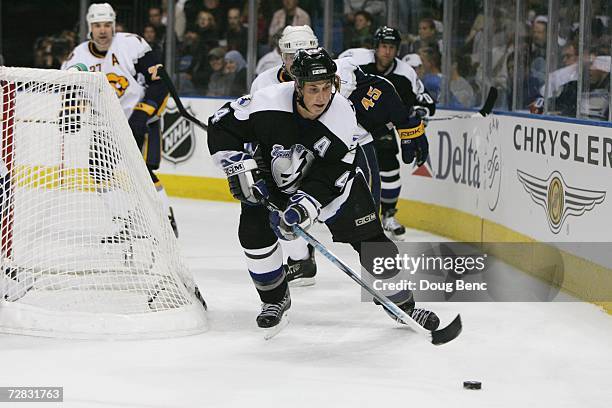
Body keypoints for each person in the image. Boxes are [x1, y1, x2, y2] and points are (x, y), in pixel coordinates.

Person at [206, 47, 438, 334]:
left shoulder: (342, 115)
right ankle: (274, 300)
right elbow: (220, 125)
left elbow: (333, 175)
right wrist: (237, 165)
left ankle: (404, 306)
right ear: (297, 86)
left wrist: (304, 207)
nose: (321, 97)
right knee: (253, 233)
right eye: (313, 89)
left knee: (373, 241)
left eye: (327, 87)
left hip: (332, 187)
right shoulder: (266, 102)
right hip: (272, 179)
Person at [61, 3, 179, 238]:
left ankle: (165, 219)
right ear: (89, 28)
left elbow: (159, 83)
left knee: (143, 173)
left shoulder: (131, 45)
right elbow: (71, 89)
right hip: (107, 125)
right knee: (99, 171)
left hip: (141, 121)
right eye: (97, 26)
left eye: (107, 25)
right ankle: (123, 220)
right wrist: (70, 111)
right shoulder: (78, 56)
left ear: (114, 26)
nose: (103, 31)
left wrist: (142, 113)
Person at [339, 26, 436, 240]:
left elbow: (425, 101)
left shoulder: (405, 73)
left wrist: (420, 112)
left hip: (380, 130)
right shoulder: (354, 59)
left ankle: (388, 216)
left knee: (389, 166)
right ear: (376, 46)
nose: (387, 51)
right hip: (346, 126)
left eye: (392, 47)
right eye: (383, 46)